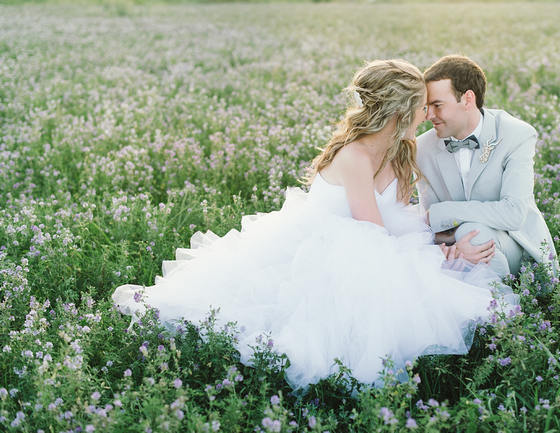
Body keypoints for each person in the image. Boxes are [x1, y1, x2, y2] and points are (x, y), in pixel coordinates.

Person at [113, 59, 517, 389]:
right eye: (420, 107)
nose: (427, 115)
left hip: (369, 247)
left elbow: (402, 222)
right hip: (320, 251)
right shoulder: (354, 157)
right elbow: (374, 234)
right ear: (398, 112)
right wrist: (439, 256)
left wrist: (443, 244)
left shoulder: (400, 153)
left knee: (439, 281)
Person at [416, 55, 559, 278]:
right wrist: (450, 248)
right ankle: (491, 306)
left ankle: (499, 305)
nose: (429, 116)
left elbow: (513, 214)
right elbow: (433, 227)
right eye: (426, 107)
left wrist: (443, 213)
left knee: (473, 234)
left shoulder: (516, 134)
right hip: (458, 245)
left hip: (515, 245)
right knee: (463, 241)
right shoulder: (422, 148)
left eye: (437, 105)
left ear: (467, 99)